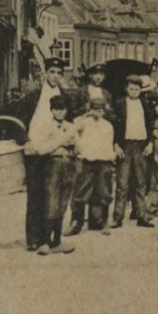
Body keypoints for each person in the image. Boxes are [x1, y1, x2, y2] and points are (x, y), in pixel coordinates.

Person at [19, 56, 71, 252]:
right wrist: (26, 141)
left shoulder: (64, 96)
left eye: (59, 73)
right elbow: (18, 120)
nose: (55, 76)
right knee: (35, 194)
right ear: (45, 73)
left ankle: (49, 238)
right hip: (35, 150)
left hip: (55, 152)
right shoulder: (33, 96)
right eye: (52, 72)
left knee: (53, 194)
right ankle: (33, 238)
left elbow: (69, 121)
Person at [28, 94, 77, 256]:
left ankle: (57, 240)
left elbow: (79, 149)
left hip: (68, 165)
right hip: (52, 166)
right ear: (51, 110)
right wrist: (60, 142)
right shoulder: (45, 127)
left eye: (62, 109)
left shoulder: (71, 126)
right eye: (56, 109)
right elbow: (41, 149)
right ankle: (44, 241)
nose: (60, 113)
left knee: (63, 202)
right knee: (51, 201)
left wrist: (74, 145)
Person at [68, 96, 118, 235]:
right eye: (95, 110)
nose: (98, 113)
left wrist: (111, 159)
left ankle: (104, 223)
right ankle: (76, 223)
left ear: (104, 111)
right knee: (81, 191)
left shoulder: (108, 125)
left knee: (104, 191)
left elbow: (109, 144)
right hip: (87, 161)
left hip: (103, 161)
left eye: (100, 110)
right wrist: (78, 144)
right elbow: (72, 129)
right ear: (91, 110)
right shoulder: (84, 123)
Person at [112, 75, 155, 228]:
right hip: (125, 146)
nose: (134, 91)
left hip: (140, 146)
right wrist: (116, 145)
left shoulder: (145, 104)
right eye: (131, 89)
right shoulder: (120, 104)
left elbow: (151, 125)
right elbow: (114, 127)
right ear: (126, 89)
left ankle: (142, 215)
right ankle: (117, 217)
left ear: (140, 90)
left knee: (141, 182)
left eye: (137, 89)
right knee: (122, 182)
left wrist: (150, 143)